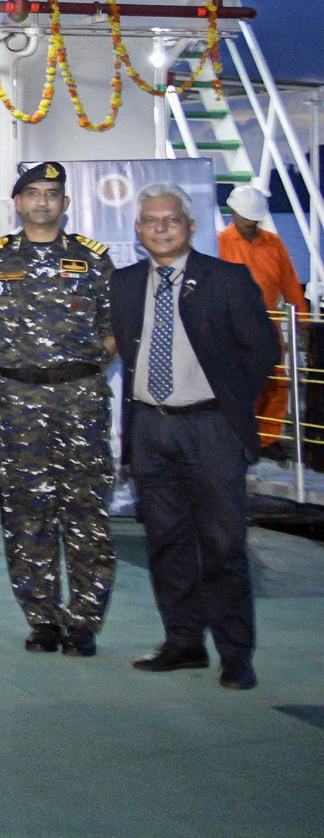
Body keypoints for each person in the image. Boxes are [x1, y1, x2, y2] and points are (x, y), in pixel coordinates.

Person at [115, 185, 281, 690]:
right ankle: (183, 643)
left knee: (223, 545)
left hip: (211, 429)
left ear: (189, 227)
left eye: (171, 220)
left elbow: (261, 352)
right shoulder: (122, 285)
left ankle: (236, 655)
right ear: (138, 230)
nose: (161, 228)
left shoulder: (227, 279)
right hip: (150, 429)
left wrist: (226, 402)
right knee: (166, 543)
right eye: (150, 220)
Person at [0, 160, 118, 657]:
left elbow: (111, 329)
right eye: (32, 193)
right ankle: (41, 617)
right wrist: (23, 363)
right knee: (26, 510)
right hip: (20, 400)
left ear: (66, 204)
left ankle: (83, 620)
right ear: (18, 203)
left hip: (80, 399)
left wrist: (74, 365)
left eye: (52, 194)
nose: (42, 202)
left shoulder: (93, 259)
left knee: (85, 512)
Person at [217, 183, 305, 453]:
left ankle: (268, 438)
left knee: (276, 381)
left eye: (255, 218)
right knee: (239, 383)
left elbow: (289, 282)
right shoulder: (219, 243)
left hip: (268, 323)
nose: (250, 223)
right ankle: (239, 437)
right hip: (232, 326)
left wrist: (302, 319)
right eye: (246, 217)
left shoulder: (274, 243)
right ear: (233, 212)